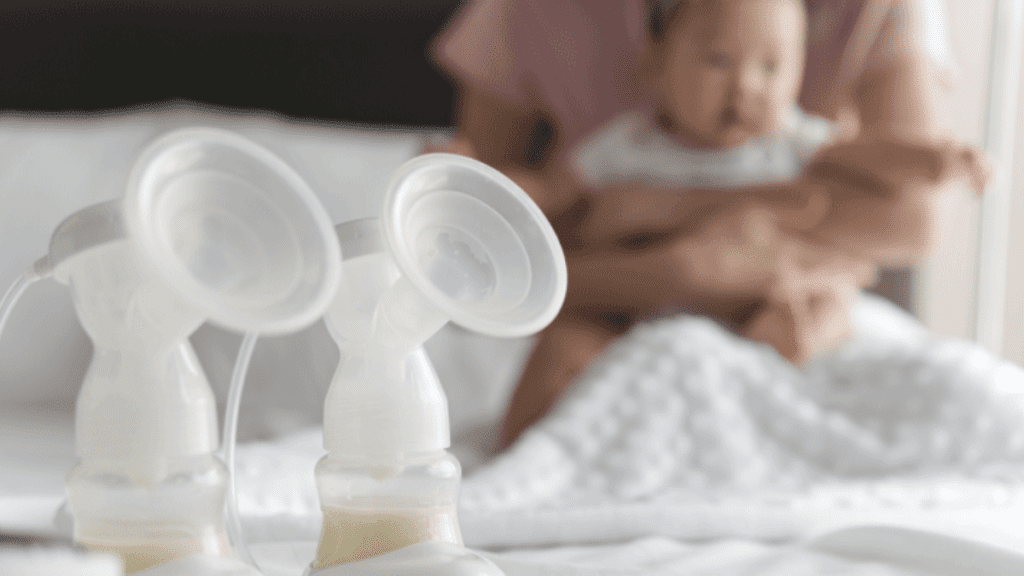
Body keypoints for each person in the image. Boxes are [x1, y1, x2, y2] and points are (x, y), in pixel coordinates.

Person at [429, 0, 990, 450]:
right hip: (617, 311)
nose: (746, 88)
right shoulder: (627, 143)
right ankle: (552, 461)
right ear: (657, 66)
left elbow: (892, 193)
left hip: (761, 298)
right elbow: (509, 223)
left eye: (771, 67)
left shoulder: (792, 136)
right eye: (719, 61)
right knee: (556, 373)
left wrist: (934, 160)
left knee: (810, 325)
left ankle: (765, 442)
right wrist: (464, 178)